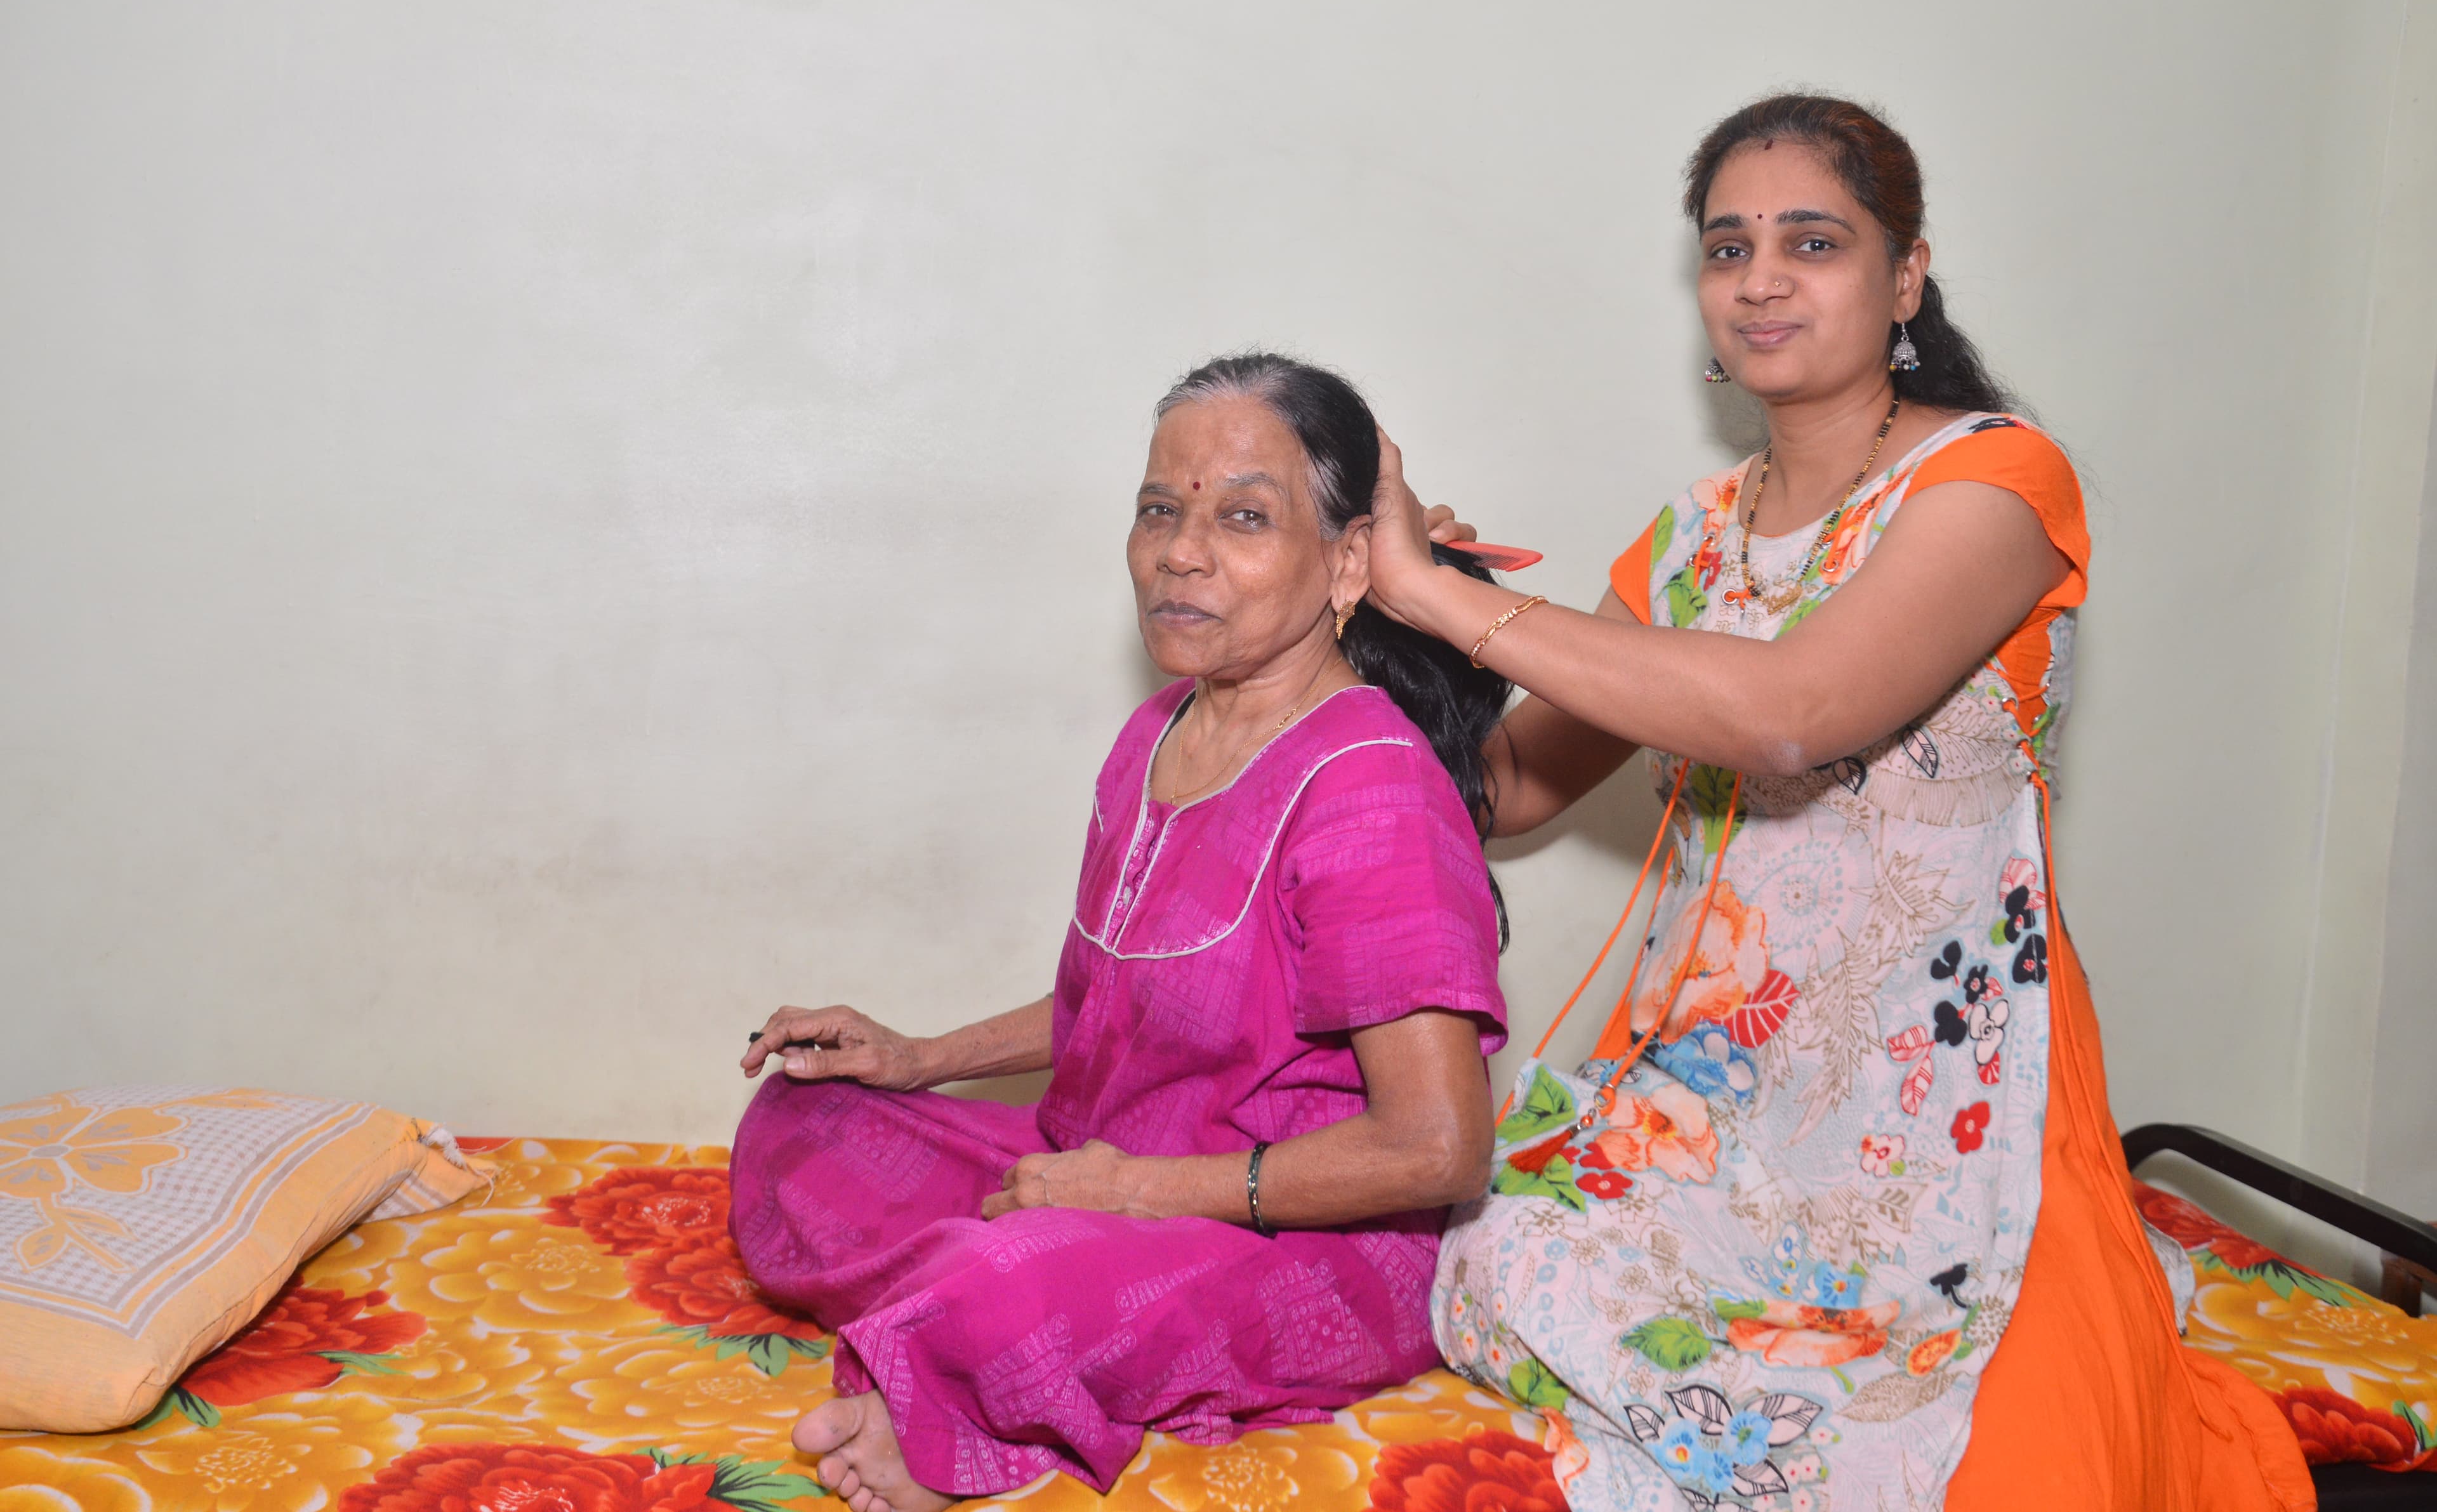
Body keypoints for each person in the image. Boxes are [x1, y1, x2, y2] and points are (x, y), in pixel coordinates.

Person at [1366, 95, 2313, 1510]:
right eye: (1728, 245)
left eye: (1812, 241)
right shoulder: (1688, 540)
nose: (1761, 278)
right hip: (1707, 1120)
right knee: (1500, 1257)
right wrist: (1387, 631)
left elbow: (1792, 708)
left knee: (1975, 1450)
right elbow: (1505, 789)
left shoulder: (1993, 481)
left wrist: (1449, 594)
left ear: (1906, 275)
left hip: (1947, 1120)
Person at [729, 355, 1516, 1512]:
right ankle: (984, 1305)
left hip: (1302, 1237)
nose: (1180, 552)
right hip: (1097, 1167)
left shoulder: (1370, 781)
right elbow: (1122, 1003)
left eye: (1244, 516)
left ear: (1346, 562)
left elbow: (1437, 1148)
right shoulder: (1156, 734)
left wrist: (1142, 1194)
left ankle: (960, 1354)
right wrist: (914, 1058)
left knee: (1002, 1291)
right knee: (801, 1123)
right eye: (1161, 510)